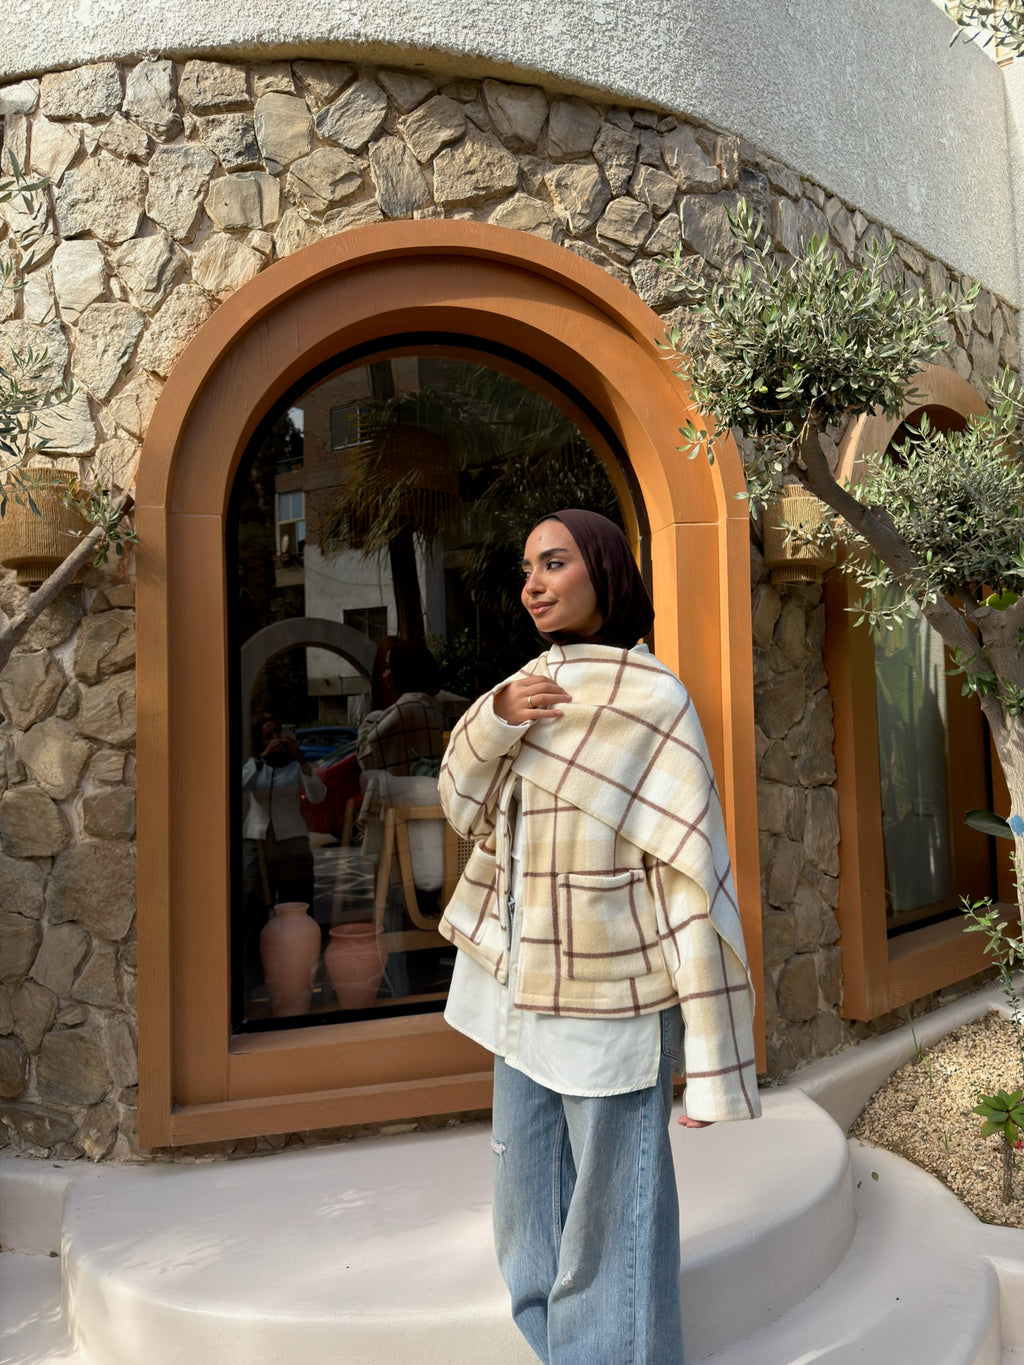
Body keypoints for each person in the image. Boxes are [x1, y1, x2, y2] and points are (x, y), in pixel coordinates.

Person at [438, 509, 760, 1365]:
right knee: (527, 1218)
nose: (533, 584)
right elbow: (461, 808)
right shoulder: (524, 689)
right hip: (518, 992)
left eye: (554, 563)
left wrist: (709, 1051)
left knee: (615, 1227)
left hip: (612, 998)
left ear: (605, 572)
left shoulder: (655, 700)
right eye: (527, 569)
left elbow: (691, 881)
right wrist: (494, 716)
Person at [242, 718, 327, 912]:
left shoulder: (296, 767)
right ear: (259, 742)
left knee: (297, 905)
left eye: (278, 733)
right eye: (268, 736)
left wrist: (302, 760)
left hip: (292, 842)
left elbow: (318, 796)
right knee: (254, 905)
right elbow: (238, 789)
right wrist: (262, 758)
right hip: (258, 843)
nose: (275, 739)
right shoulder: (254, 766)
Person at [356, 639, 446, 777]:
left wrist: (367, 725)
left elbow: (367, 760)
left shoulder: (405, 707)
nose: (384, 675)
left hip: (404, 794)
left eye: (388, 667)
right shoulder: (435, 706)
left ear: (402, 670)